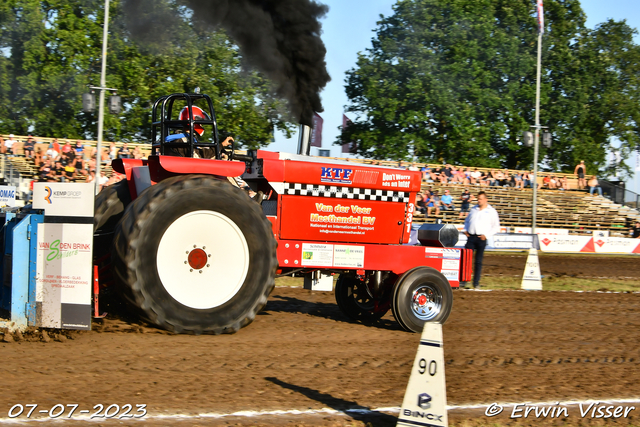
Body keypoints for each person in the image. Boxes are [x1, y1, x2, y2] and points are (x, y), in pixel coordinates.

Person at [461, 191, 501, 289]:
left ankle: (476, 283)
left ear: (485, 199)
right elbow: (467, 221)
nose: (479, 200)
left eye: (481, 199)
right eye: (478, 199)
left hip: (481, 238)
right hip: (471, 237)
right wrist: (465, 230)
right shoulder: (473, 209)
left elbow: (496, 227)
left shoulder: (491, 211)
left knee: (478, 261)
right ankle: (463, 281)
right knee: (466, 260)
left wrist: (486, 236)